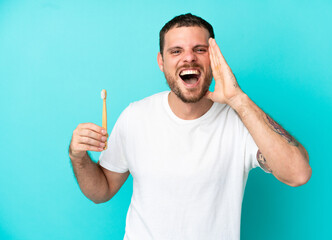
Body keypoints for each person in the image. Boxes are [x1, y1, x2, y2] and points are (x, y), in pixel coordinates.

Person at [69, 13, 311, 240]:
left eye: (200, 49)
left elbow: (298, 173)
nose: (189, 57)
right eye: (176, 51)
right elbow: (101, 191)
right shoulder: (135, 116)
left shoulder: (241, 120)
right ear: (161, 62)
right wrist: (78, 156)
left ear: (214, 58)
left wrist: (238, 99)